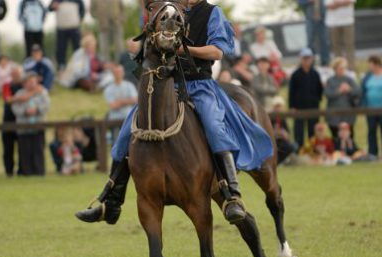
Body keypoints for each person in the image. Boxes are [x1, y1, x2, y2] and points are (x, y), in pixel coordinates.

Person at [76, 0, 273, 225]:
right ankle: (111, 200)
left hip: (200, 85)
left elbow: (217, 52)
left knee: (215, 128)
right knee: (128, 129)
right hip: (169, 86)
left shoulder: (212, 13)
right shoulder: (169, 10)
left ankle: (232, 195)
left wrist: (183, 49)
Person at [11, 72, 50, 176]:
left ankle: (39, 171)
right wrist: (25, 111)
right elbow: (14, 107)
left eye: (33, 81)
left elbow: (46, 105)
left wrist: (37, 109)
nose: (31, 84)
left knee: (38, 150)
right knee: (25, 151)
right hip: (23, 127)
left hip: (38, 125)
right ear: (24, 83)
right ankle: (26, 172)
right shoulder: (19, 94)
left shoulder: (42, 92)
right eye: (29, 82)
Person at [289, 48, 323, 147]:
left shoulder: (315, 74)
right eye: (304, 58)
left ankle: (312, 150)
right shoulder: (295, 74)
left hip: (313, 107)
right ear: (301, 59)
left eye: (308, 58)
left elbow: (319, 89)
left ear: (312, 59)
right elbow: (291, 92)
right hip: (299, 108)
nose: (306, 60)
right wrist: (292, 106)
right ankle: (299, 150)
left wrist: (317, 101)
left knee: (312, 130)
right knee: (298, 131)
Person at [325, 57, 360, 139]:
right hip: (334, 116)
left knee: (349, 137)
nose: (342, 70)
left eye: (344, 68)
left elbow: (358, 92)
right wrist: (339, 91)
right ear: (335, 69)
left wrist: (349, 89)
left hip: (348, 115)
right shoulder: (330, 81)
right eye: (340, 68)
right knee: (336, 137)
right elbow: (327, 94)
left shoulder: (349, 80)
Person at [49, 0, 85, 70]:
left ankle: (79, 66)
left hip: (74, 27)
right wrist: (53, 6)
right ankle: (61, 66)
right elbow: (49, 8)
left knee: (77, 48)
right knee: (61, 49)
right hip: (61, 28)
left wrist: (80, 19)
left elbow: (82, 9)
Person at [1, 66, 23, 176]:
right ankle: (8, 171)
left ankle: (21, 171)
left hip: (21, 120)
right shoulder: (7, 85)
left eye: (17, 74)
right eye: (13, 74)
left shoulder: (24, 85)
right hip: (8, 120)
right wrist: (22, 98)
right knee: (8, 148)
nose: (16, 76)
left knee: (22, 148)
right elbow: (7, 99)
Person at [325, 0, 356, 70]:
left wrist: (336, 3)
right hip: (333, 22)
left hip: (348, 21)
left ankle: (351, 68)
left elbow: (350, 2)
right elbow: (329, 5)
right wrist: (343, 3)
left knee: (349, 45)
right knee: (336, 46)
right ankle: (338, 67)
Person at [298, 0, 330, 66]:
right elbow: (300, 2)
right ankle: (310, 62)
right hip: (310, 19)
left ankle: (325, 61)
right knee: (310, 42)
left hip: (322, 19)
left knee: (324, 41)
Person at [362, 55, 382, 157]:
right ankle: (372, 153)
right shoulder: (367, 77)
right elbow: (363, 91)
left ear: (377, 64)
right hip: (370, 110)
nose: (370, 67)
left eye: (371, 65)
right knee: (371, 131)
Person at [270, 96, 298, 164]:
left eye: (280, 106)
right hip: (272, 142)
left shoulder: (282, 118)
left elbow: (287, 134)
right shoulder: (270, 118)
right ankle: (275, 162)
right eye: (277, 106)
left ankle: (278, 162)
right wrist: (275, 133)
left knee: (293, 146)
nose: (278, 108)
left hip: (282, 141)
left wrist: (284, 134)